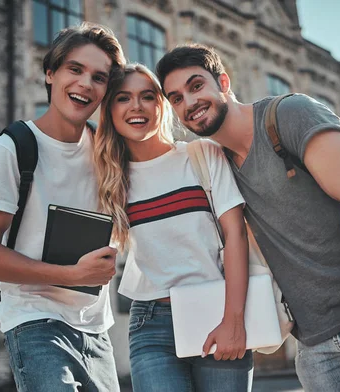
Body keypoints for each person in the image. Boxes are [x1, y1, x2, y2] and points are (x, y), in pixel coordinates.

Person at [155, 44, 340, 392]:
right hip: (314, 338)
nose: (189, 103)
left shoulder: (289, 115)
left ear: (224, 82)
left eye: (196, 86)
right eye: (176, 98)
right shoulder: (217, 163)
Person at [0, 23, 126, 392]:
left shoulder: (108, 153)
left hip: (97, 331)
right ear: (50, 73)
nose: (85, 83)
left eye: (99, 77)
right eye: (75, 69)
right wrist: (72, 275)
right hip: (35, 322)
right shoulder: (12, 148)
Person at [93, 63, 253, 392]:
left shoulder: (202, 155)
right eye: (123, 98)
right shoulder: (110, 179)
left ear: (162, 105)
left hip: (218, 311)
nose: (136, 106)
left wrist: (234, 320)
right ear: (110, 110)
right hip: (150, 324)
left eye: (147, 96)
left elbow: (236, 236)